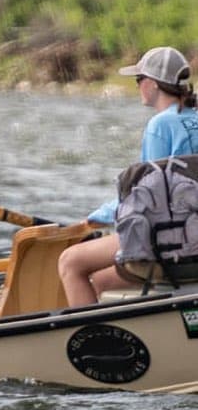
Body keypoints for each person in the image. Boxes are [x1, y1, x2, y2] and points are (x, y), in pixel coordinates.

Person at [58, 46, 198, 306]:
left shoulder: (160, 125)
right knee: (102, 280)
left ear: (154, 85)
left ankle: (92, 340)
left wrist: (95, 217)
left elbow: (148, 197)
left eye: (139, 80)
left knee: (70, 262)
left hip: (173, 243)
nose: (137, 87)